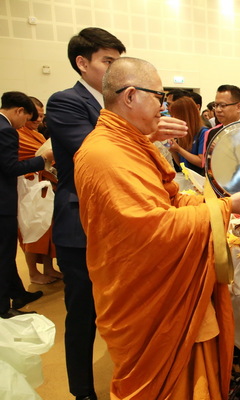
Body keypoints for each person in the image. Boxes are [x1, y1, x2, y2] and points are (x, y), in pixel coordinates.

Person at [73, 56, 240, 399]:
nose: (163, 107)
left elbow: (167, 199)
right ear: (130, 96)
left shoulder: (126, 143)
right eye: (159, 97)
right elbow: (152, 228)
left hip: (161, 288)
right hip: (144, 297)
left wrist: (213, 205)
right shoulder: (105, 154)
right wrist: (224, 208)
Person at [45, 27, 127, 400]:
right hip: (80, 223)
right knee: (82, 316)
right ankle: (82, 392)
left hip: (118, 222)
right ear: (82, 63)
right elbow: (96, 153)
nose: (116, 70)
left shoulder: (117, 105)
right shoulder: (65, 102)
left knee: (119, 309)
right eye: (108, 62)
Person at [0, 91, 52, 318]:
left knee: (6, 254)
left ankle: (18, 293)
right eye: (27, 118)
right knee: (4, 255)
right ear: (19, 110)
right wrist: (43, 159)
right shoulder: (6, 131)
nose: (25, 124)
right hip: (3, 203)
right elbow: (11, 168)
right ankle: (3, 307)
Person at [17, 96, 62, 285]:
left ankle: (48, 268)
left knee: (48, 231)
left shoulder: (37, 135)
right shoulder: (17, 134)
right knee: (33, 231)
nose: (38, 119)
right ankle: (33, 273)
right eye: (35, 115)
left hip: (46, 187)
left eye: (42, 116)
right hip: (29, 189)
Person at [168, 96, 206, 174]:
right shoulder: (183, 133)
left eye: (175, 115)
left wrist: (178, 149)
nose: (173, 118)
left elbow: (201, 162)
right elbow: (181, 164)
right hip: (187, 176)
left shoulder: (204, 133)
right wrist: (173, 150)